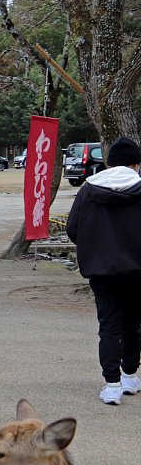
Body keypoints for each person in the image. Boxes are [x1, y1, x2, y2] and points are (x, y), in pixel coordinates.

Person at [66, 137, 141, 406]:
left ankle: (112, 384)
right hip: (136, 269)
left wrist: (94, 246)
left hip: (101, 270)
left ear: (109, 163)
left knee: (109, 327)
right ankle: (130, 375)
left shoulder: (88, 189)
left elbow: (72, 228)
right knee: (133, 324)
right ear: (136, 164)